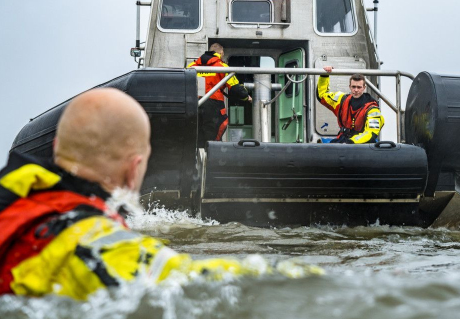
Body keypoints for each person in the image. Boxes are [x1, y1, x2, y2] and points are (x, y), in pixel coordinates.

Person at [0, 88, 321, 300]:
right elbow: (202, 284)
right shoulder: (95, 245)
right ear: (134, 168)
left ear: (56, 148)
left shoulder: (14, 202)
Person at [188, 43, 251, 147]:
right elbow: (235, 88)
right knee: (213, 140)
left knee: (197, 138)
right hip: (214, 107)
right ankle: (211, 160)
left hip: (194, 106)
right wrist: (246, 97)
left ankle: (197, 159)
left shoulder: (191, 66)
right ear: (221, 53)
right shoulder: (222, 67)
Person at [316, 66, 384, 144]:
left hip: (362, 145)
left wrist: (352, 142)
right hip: (342, 140)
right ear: (349, 87)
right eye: (353, 87)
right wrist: (324, 75)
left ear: (364, 88)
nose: (356, 90)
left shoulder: (372, 109)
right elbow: (322, 95)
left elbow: (371, 133)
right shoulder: (341, 100)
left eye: (359, 87)